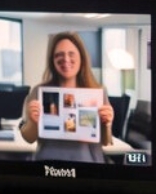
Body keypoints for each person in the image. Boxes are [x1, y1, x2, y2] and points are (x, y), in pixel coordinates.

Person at [20, 32, 114, 163]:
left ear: (81, 57)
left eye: (71, 54)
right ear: (53, 61)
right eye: (59, 55)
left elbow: (105, 141)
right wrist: (33, 121)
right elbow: (28, 139)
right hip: (48, 166)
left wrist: (107, 124)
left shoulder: (97, 92)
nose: (65, 59)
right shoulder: (39, 91)